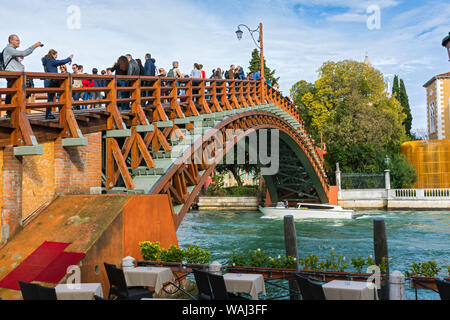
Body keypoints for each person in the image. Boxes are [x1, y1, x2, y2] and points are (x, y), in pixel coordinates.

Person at [3, 34, 42, 118]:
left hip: (16, 76)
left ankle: (17, 112)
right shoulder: (9, 49)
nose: (19, 42)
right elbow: (23, 53)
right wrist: (34, 46)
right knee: (11, 94)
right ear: (11, 41)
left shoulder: (11, 50)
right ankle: (10, 113)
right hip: (12, 75)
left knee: (15, 94)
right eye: (17, 40)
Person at [41, 49, 73, 119]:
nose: (56, 57)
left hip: (47, 80)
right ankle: (49, 114)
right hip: (51, 81)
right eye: (56, 55)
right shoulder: (51, 60)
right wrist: (69, 58)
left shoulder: (46, 61)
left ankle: (48, 113)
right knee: (52, 98)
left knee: (50, 98)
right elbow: (62, 62)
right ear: (53, 54)